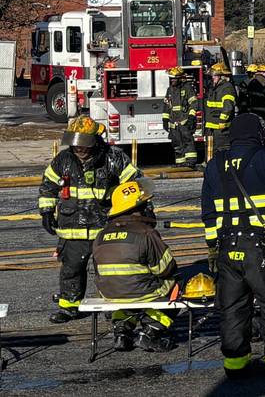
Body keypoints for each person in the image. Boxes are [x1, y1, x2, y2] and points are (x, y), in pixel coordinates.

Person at [200, 113, 265, 378]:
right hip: (262, 249)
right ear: (259, 133)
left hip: (226, 247)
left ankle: (236, 363)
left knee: (232, 306)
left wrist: (212, 247)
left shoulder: (214, 165)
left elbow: (209, 213)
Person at [36, 115, 142, 323]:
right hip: (72, 228)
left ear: (94, 141)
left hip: (106, 227)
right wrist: (46, 211)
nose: (78, 149)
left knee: (110, 270)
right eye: (75, 145)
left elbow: (134, 186)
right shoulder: (63, 160)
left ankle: (115, 306)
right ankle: (69, 306)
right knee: (71, 268)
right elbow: (48, 185)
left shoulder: (114, 158)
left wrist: (140, 213)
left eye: (83, 145)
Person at [93, 178, 178, 352]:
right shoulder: (146, 232)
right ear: (138, 208)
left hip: (109, 292)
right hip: (140, 293)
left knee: (128, 288)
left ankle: (122, 331)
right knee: (178, 285)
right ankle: (150, 332)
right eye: (147, 203)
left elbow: (96, 269)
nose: (150, 207)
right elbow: (165, 269)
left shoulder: (101, 235)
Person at [162, 66, 201, 170]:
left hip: (185, 121)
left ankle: (190, 162)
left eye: (174, 79)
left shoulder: (187, 88)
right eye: (171, 79)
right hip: (173, 123)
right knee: (177, 144)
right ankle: (180, 163)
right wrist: (165, 119)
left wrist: (191, 116)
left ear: (180, 78)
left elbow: (194, 103)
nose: (172, 81)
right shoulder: (169, 90)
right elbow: (166, 105)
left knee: (187, 142)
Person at [204, 62, 237, 156]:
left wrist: (222, 121)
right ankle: (210, 165)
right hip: (212, 126)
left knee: (222, 150)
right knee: (210, 148)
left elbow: (228, 107)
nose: (212, 78)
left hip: (221, 128)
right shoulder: (215, 88)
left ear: (222, 76)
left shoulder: (227, 88)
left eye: (215, 76)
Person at [242, 63, 265, 128]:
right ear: (264, 73)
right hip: (263, 111)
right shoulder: (264, 81)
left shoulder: (251, 82)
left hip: (252, 110)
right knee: (264, 128)